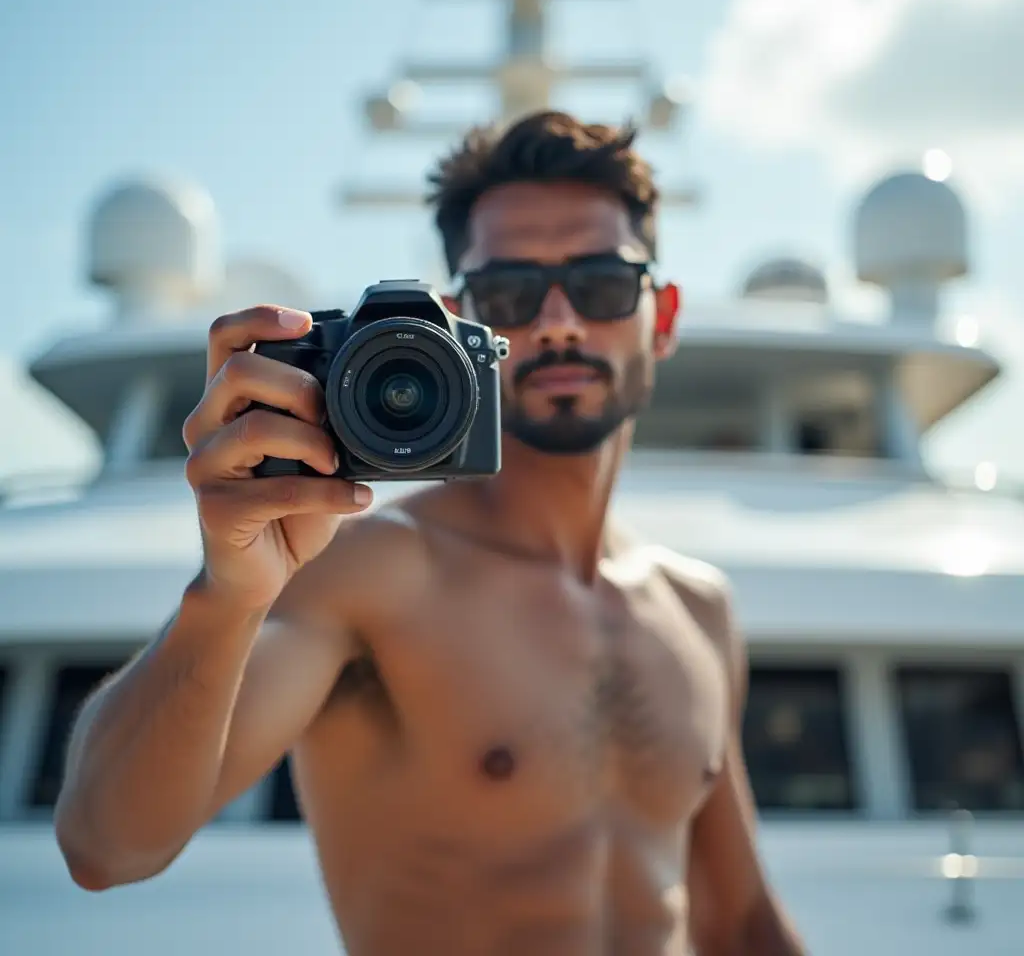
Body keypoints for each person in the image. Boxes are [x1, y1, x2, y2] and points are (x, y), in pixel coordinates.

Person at [54, 111, 807, 956]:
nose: (558, 322)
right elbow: (105, 847)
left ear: (660, 315)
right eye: (513, 294)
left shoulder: (697, 608)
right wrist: (228, 594)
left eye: (600, 285)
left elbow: (742, 925)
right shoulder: (370, 574)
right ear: (459, 324)